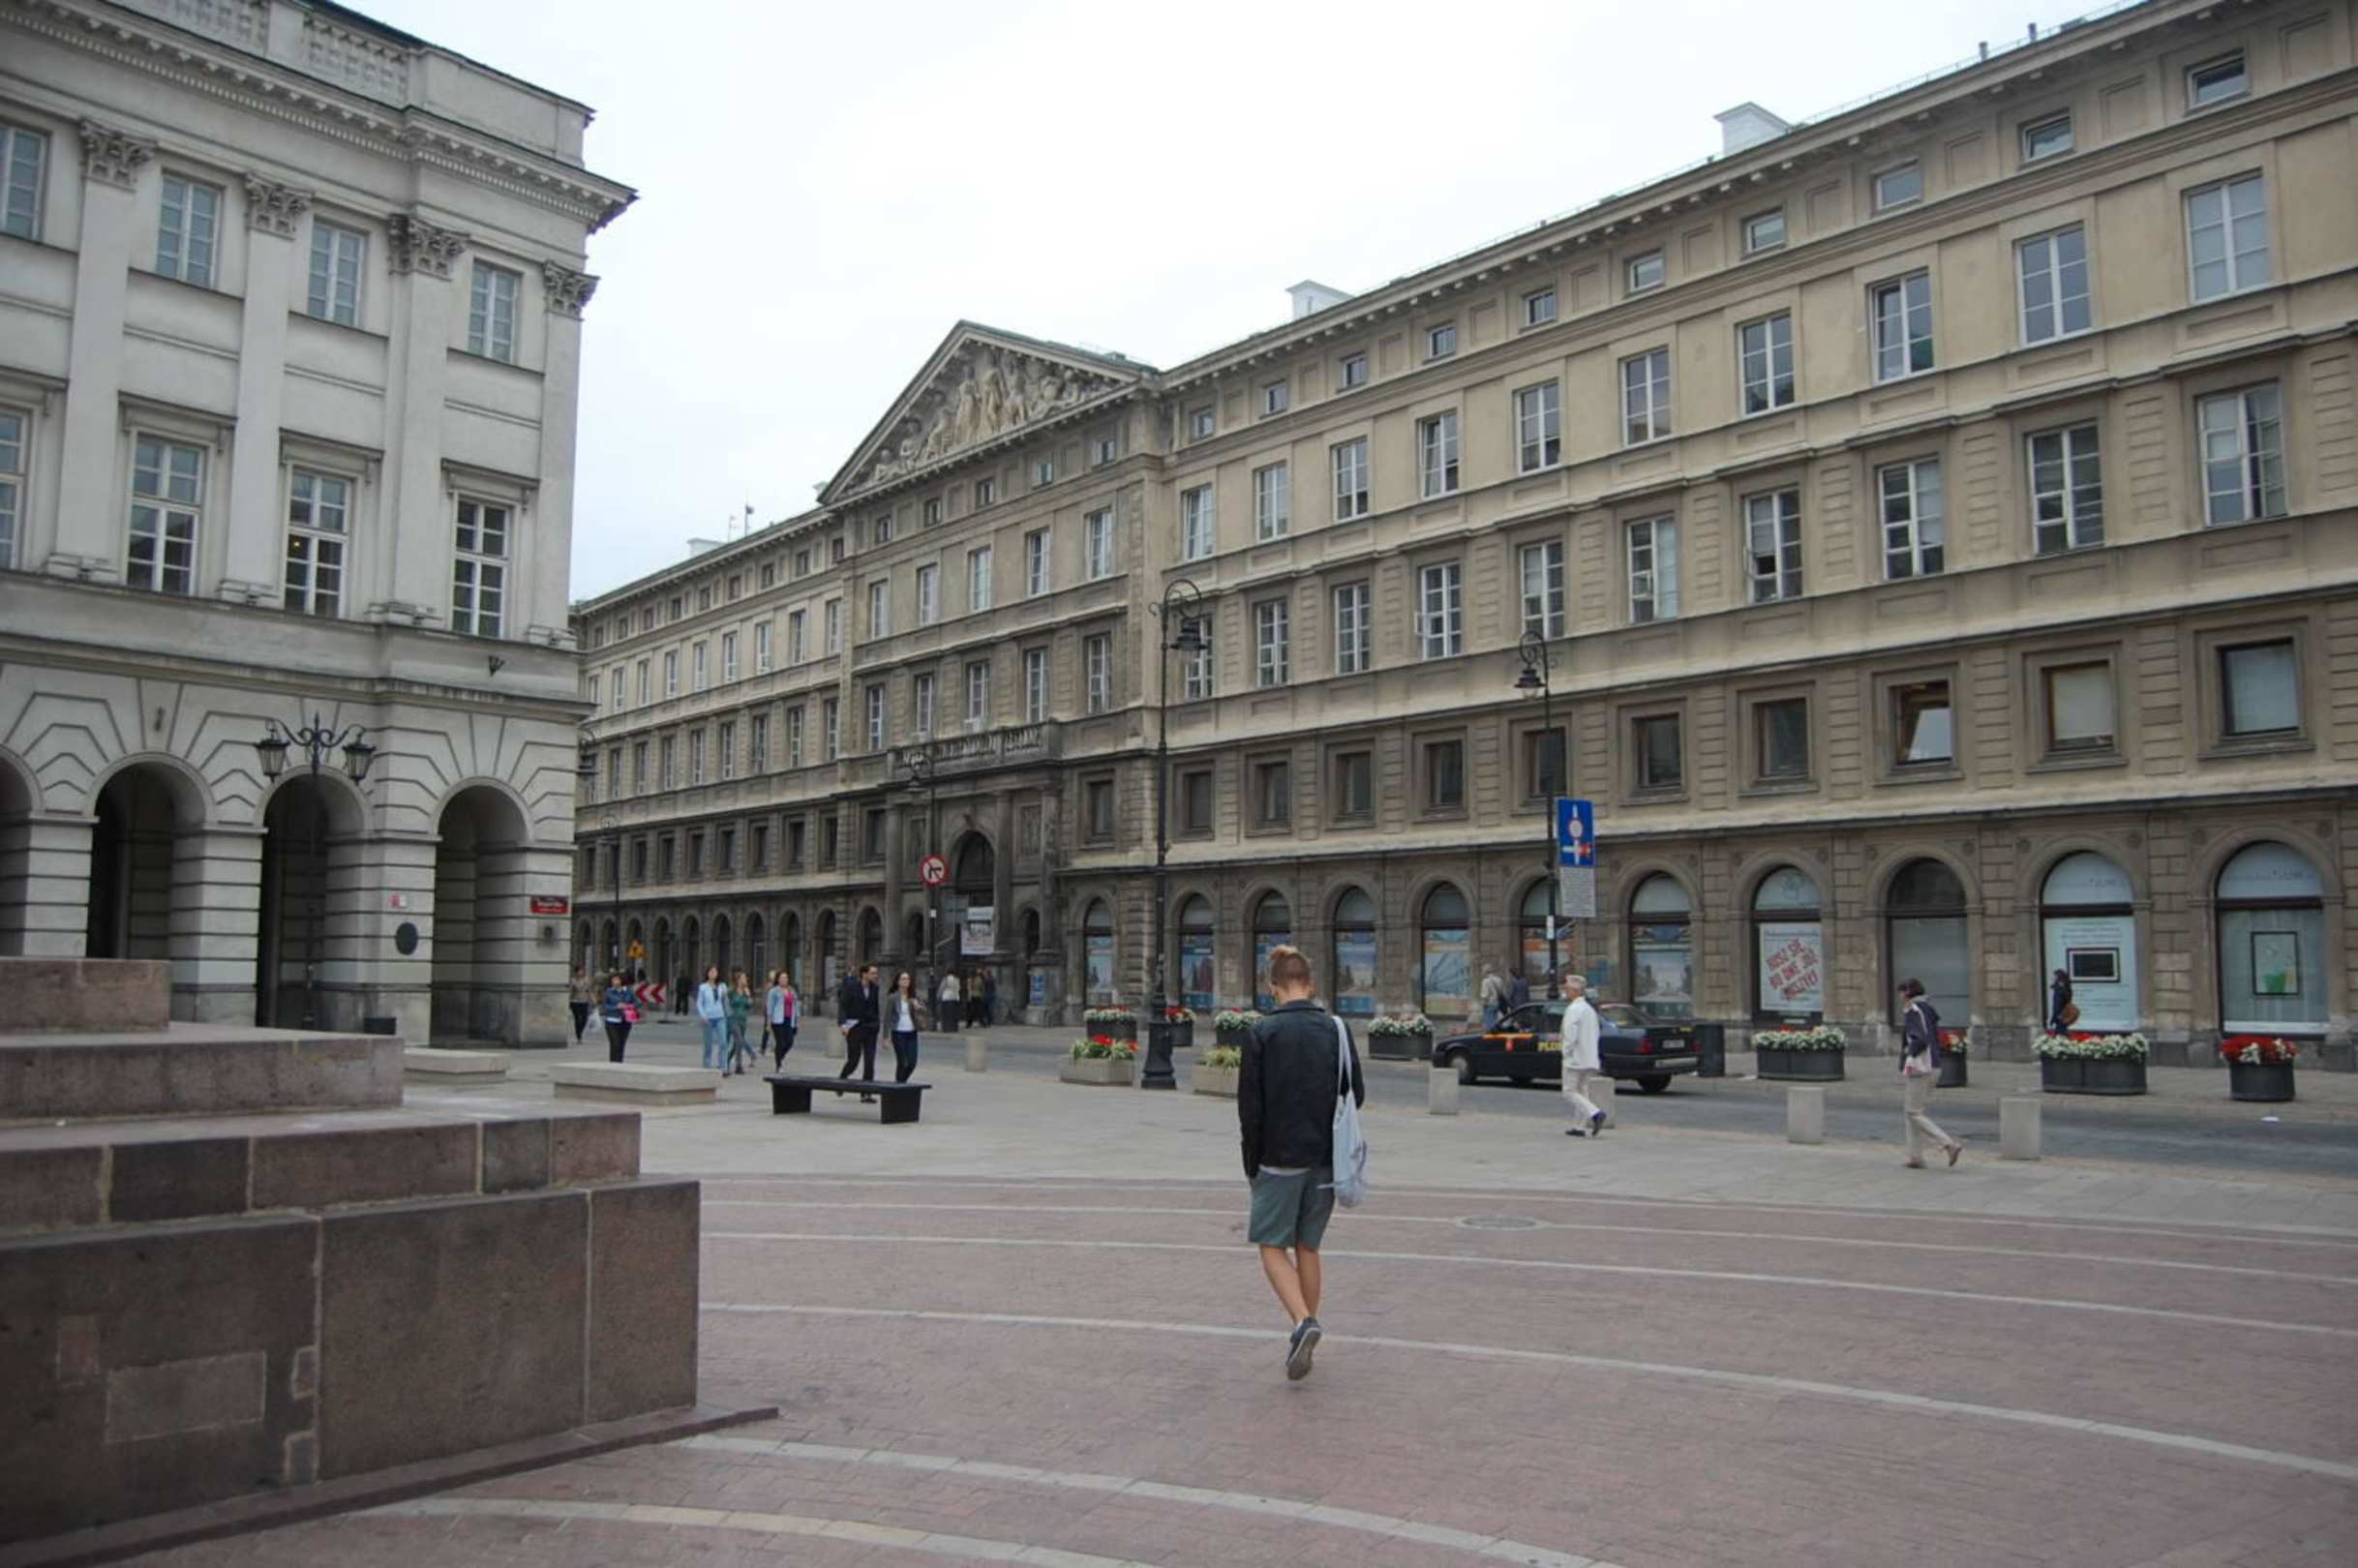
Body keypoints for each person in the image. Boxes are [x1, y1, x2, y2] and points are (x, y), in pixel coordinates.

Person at [1238, 943, 1365, 1382]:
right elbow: (1355, 1094)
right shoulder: (1336, 1029)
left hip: (1278, 1158)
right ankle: (1305, 1330)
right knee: (1308, 1246)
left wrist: (1251, 1165)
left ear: (1273, 987)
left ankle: (1302, 1321)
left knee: (1271, 1244)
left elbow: (1250, 1110)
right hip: (1327, 1160)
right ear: (1310, 984)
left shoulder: (1261, 1033)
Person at [1898, 979, 1963, 1169]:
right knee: (1914, 1111)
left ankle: (1948, 1144)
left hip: (1921, 1066)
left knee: (1913, 1112)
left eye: (1901, 992)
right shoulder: (1927, 1008)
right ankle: (1915, 1156)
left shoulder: (1913, 1010)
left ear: (1907, 992)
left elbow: (1919, 1039)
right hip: (1934, 1064)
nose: (1900, 996)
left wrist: (1910, 1055)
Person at [1559, 975, 1607, 1137]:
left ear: (1575, 990)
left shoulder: (1574, 1009)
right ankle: (1579, 1126)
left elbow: (1570, 1035)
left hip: (1575, 1058)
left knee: (1569, 1091)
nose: (1565, 991)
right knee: (1582, 1091)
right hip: (1589, 1057)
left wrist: (1565, 1052)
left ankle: (1595, 1113)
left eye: (1567, 988)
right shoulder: (1589, 1010)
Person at [836, 962, 881, 1102]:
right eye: (873, 973)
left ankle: (866, 1092)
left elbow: (875, 1008)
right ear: (864, 974)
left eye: (876, 973)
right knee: (853, 1060)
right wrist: (842, 1024)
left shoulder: (875, 988)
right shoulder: (851, 986)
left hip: (870, 1028)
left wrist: (877, 1024)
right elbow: (843, 1005)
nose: (876, 975)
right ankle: (842, 1079)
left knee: (870, 1061)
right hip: (855, 1027)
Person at [886, 970, 927, 1083]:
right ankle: (899, 1085)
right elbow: (887, 1018)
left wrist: (918, 1007)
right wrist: (885, 1037)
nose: (906, 981)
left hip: (912, 1032)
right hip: (898, 1033)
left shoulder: (914, 996)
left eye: (908, 979)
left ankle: (900, 1083)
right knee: (903, 1062)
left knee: (912, 1063)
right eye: (903, 979)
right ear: (898, 982)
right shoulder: (893, 997)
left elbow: (925, 1010)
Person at [693, 965, 730, 1071]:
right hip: (708, 1018)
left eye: (715, 972)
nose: (713, 974)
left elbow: (726, 1001)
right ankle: (706, 1067)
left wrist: (725, 994)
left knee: (723, 1043)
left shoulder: (722, 986)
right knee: (708, 1045)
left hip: (720, 1016)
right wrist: (703, 1015)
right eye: (711, 971)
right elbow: (699, 1003)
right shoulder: (703, 987)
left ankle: (723, 1067)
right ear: (707, 973)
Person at [598, 971, 634, 1063]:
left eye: (616, 979)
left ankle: (619, 1063)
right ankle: (613, 1063)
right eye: (613, 980)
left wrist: (628, 1006)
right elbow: (605, 1006)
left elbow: (638, 1003)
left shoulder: (629, 992)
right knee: (615, 1043)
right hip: (611, 1021)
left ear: (622, 980)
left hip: (625, 1021)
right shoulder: (609, 992)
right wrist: (616, 1007)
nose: (614, 981)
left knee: (621, 1044)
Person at [767, 970, 799, 1070]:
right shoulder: (774, 991)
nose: (784, 980)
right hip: (777, 1020)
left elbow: (795, 1006)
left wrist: (796, 1021)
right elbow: (770, 1008)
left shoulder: (792, 991)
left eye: (786, 978)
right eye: (782, 978)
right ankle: (778, 1065)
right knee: (780, 1042)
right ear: (778, 979)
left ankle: (780, 1056)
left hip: (789, 1019)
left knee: (789, 1042)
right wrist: (768, 1023)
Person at [725, 970, 755, 1075]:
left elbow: (749, 1006)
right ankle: (739, 1066)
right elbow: (725, 1003)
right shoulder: (731, 991)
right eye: (743, 978)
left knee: (738, 1043)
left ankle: (726, 1060)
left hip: (743, 1020)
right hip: (733, 1019)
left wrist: (749, 996)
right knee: (739, 1040)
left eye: (745, 978)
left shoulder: (746, 992)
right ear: (738, 980)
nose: (745, 980)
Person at [568, 967, 596, 1042]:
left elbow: (589, 991)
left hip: (584, 1001)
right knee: (577, 1019)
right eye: (579, 971)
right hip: (575, 1002)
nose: (581, 973)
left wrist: (593, 1000)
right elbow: (570, 991)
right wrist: (568, 1000)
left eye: (582, 971)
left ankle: (580, 1031)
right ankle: (579, 1036)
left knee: (584, 1019)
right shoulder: (573, 981)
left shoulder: (586, 980)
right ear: (576, 972)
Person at [2047, 968, 2076, 1034]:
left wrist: (2054, 1017)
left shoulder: (2060, 990)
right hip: (2064, 1015)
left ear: (2058, 977)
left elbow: (2058, 1004)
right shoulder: (2066, 987)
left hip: (2060, 1016)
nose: (2052, 978)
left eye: (2054, 976)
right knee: (2062, 1032)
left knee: (2060, 1034)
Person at [1479, 966, 1504, 1031]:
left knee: (1490, 1024)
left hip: (1489, 1004)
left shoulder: (1485, 981)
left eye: (1482, 971)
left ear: (1485, 972)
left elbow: (1485, 995)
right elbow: (1501, 992)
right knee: (1496, 1021)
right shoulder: (1499, 979)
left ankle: (1491, 1034)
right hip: (1498, 1003)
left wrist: (1483, 1004)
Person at [938, 968, 961, 1035]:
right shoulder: (956, 979)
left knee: (946, 1014)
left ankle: (946, 1028)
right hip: (954, 998)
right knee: (953, 1015)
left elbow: (941, 988)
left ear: (947, 973)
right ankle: (953, 1028)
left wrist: (938, 996)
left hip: (946, 997)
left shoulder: (945, 979)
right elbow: (958, 988)